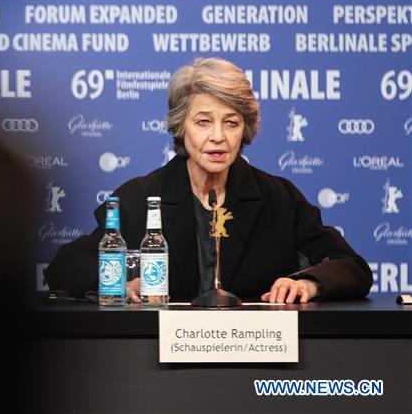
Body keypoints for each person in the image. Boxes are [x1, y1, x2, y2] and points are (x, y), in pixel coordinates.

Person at [45, 57, 372, 304]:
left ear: (245, 129)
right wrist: (118, 284)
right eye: (203, 122)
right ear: (181, 126)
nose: (218, 137)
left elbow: (351, 266)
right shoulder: (141, 197)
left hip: (257, 354)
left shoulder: (279, 198)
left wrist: (308, 283)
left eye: (231, 123)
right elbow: (66, 265)